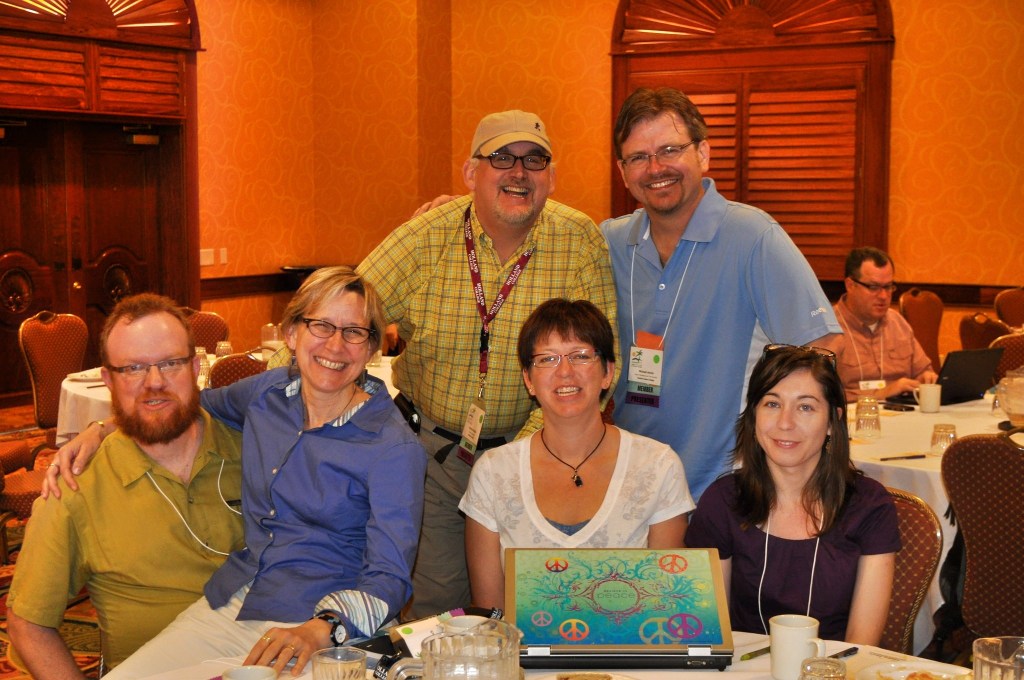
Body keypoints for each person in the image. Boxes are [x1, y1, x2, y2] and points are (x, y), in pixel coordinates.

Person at [49, 267, 426, 677]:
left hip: (325, 628)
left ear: (371, 347)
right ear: (291, 333)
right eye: (321, 325)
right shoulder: (268, 394)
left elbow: (390, 577)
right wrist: (101, 428)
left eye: (354, 332)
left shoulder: (392, 447)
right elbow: (181, 403)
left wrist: (324, 628)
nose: (335, 345)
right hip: (240, 599)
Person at [357, 110, 617, 618]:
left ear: (551, 178)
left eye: (534, 160)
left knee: (537, 606)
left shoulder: (578, 239)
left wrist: (523, 455)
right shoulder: (424, 237)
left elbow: (601, 361)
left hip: (537, 457)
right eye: (501, 158)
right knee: (438, 612)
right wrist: (280, 383)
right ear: (470, 173)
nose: (519, 172)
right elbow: (344, 314)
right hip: (432, 458)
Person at [602, 87, 842, 502]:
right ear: (623, 172)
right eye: (638, 157)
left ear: (703, 153)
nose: (656, 167)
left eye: (670, 149)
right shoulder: (610, 242)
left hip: (727, 489)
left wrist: (783, 451)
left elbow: (824, 346)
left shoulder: (753, 237)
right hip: (632, 485)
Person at [7, 293, 245, 675]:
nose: (155, 382)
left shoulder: (256, 449)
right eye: (133, 368)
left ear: (195, 367)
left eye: (170, 363)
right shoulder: (76, 488)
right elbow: (26, 625)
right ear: (109, 381)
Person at [460, 299, 692, 609]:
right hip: (521, 643)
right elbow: (490, 612)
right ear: (528, 379)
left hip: (630, 641)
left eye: (581, 356)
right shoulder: (493, 472)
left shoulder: (658, 466)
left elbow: (664, 603)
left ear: (608, 372)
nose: (565, 372)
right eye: (547, 359)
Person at [685, 344, 899, 644]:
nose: (785, 423)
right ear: (754, 415)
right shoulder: (723, 502)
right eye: (772, 404)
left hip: (835, 667)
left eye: (805, 407)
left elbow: (860, 645)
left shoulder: (868, 506)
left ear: (832, 421)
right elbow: (707, 635)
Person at [826, 247, 936, 401]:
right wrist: (879, 394)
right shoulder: (827, 329)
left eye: (888, 287)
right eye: (873, 287)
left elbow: (923, 371)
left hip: (903, 410)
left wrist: (926, 378)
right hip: (854, 413)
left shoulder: (898, 323)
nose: (884, 296)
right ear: (850, 285)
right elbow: (821, 394)